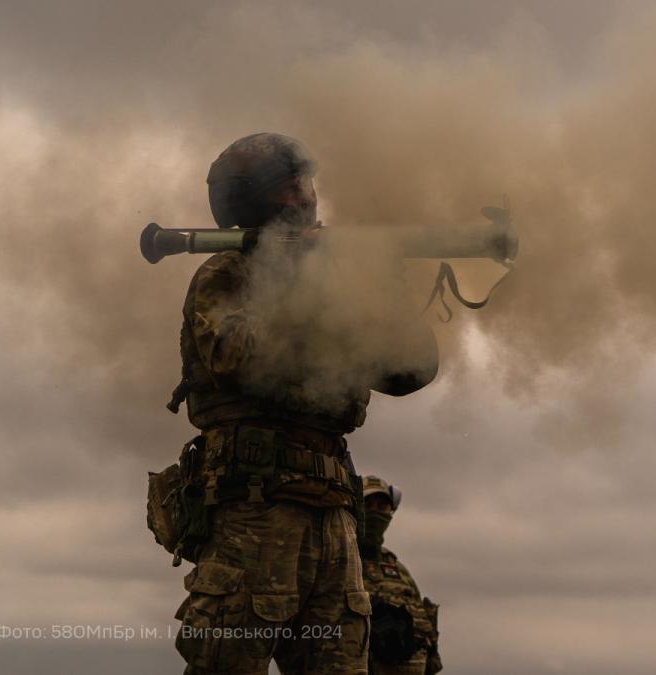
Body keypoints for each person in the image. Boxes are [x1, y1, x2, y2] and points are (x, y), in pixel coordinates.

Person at [165, 132, 439, 675]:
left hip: (333, 513)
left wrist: (382, 286)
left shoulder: (332, 280)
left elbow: (409, 371)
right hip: (255, 510)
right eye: (293, 186)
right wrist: (300, 279)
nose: (308, 195)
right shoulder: (227, 273)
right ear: (263, 198)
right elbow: (238, 356)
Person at [359, 476, 443, 675]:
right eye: (367, 505)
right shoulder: (339, 561)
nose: (375, 512)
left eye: (382, 507)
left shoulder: (398, 570)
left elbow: (425, 633)